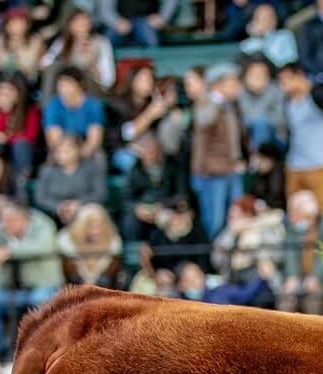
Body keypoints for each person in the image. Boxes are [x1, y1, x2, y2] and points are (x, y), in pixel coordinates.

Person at [0, 203, 64, 359]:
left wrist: (9, 251)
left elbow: (43, 247)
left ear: (23, 218)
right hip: (10, 287)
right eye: (2, 220)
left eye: (9, 221)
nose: (4, 225)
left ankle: (41, 350)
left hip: (43, 284)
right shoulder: (0, 226)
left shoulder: (42, 223)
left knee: (39, 300)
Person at [189, 64, 248, 238]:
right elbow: (203, 122)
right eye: (232, 82)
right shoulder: (208, 103)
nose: (237, 86)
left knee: (237, 218)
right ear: (218, 84)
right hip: (212, 173)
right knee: (215, 222)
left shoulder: (231, 106)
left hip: (231, 169)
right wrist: (213, 99)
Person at [99, 0, 179, 47]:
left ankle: (147, 74)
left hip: (146, 21)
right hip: (119, 20)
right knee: (106, 43)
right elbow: (105, 9)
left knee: (152, 40)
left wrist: (162, 18)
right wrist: (116, 22)